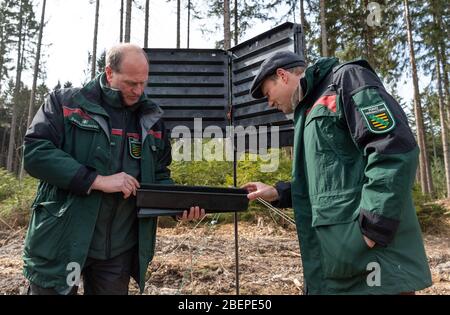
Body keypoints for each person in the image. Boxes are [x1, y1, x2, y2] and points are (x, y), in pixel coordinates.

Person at [243, 51, 432, 294]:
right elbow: (329, 180)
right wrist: (278, 193)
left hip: (373, 264)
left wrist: (373, 227)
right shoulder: (308, 110)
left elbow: (393, 148)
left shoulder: (346, 79)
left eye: (268, 93)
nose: (270, 103)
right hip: (341, 265)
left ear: (282, 75)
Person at [23, 43, 204, 295]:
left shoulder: (151, 119)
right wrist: (96, 180)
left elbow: (159, 176)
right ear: (109, 73)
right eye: (131, 83)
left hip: (116, 251)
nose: (139, 91)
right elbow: (35, 153)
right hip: (63, 242)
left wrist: (177, 206)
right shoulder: (65, 102)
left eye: (143, 83)